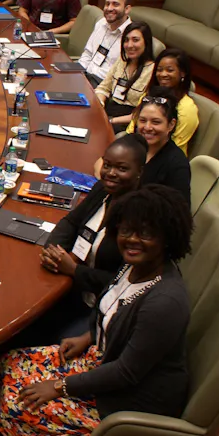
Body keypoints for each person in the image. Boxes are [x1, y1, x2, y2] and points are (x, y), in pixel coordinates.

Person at [0, 184, 192, 436]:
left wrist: (59, 387)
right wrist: (89, 336)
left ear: (167, 238)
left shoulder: (164, 302)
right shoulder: (133, 266)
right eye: (125, 230)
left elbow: (126, 372)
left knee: (17, 406)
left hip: (126, 400)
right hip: (103, 359)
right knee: (11, 362)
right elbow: (116, 312)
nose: (132, 239)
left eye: (145, 233)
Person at [37, 134, 148, 341]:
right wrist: (53, 251)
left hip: (98, 311)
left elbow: (125, 282)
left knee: (39, 333)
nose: (111, 173)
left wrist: (74, 270)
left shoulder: (139, 220)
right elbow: (70, 222)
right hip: (70, 287)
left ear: (139, 172)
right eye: (107, 165)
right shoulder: (103, 190)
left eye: (122, 169)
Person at [125, 48, 199, 155]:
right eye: (159, 70)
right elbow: (132, 129)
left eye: (169, 70)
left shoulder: (187, 108)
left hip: (164, 161)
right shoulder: (148, 96)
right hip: (136, 151)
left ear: (182, 73)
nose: (163, 74)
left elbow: (174, 147)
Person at [95, 21, 155, 132]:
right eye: (126, 40)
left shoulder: (153, 71)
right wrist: (100, 104)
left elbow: (144, 114)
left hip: (127, 123)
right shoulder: (121, 61)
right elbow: (104, 88)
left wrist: (110, 121)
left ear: (146, 42)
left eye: (135, 40)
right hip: (109, 112)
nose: (129, 45)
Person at [78, 0, 132, 87]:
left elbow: (124, 75)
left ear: (127, 9)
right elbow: (88, 53)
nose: (109, 8)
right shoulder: (101, 23)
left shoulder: (131, 36)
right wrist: (76, 73)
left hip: (103, 85)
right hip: (84, 75)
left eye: (115, 4)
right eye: (107, 4)